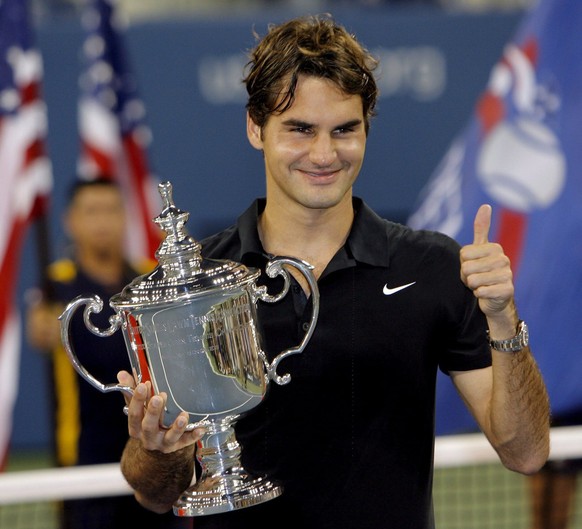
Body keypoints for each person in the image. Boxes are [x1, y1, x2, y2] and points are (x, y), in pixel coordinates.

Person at [118, 15, 550, 529]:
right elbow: (155, 494)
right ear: (255, 127)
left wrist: (503, 318)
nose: (324, 154)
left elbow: (526, 452)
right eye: (300, 129)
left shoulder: (432, 267)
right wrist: (160, 450)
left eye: (344, 130)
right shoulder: (194, 286)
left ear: (367, 127)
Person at [26, 178, 191, 529]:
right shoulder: (55, 283)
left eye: (111, 210)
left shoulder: (149, 278)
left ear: (126, 216)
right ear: (71, 220)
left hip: (154, 451)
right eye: (91, 211)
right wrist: (42, 324)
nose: (102, 221)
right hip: (84, 459)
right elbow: (39, 332)